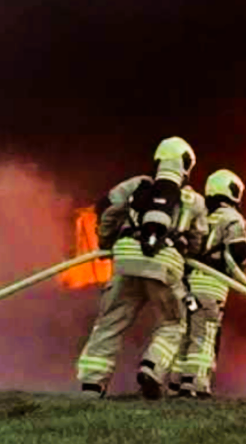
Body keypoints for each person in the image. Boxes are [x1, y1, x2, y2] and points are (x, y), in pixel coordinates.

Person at [75, 136, 209, 399]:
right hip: (165, 264)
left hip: (125, 259)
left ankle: (92, 385)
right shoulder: (194, 201)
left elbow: (106, 208)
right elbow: (197, 241)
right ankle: (152, 368)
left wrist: (106, 240)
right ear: (186, 166)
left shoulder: (136, 185)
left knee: (109, 323)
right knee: (173, 322)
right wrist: (185, 249)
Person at [170, 169, 246, 398]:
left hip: (187, 285)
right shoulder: (232, 217)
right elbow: (238, 254)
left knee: (187, 333)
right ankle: (197, 385)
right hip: (210, 286)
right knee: (206, 335)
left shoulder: (202, 214)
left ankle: (175, 383)